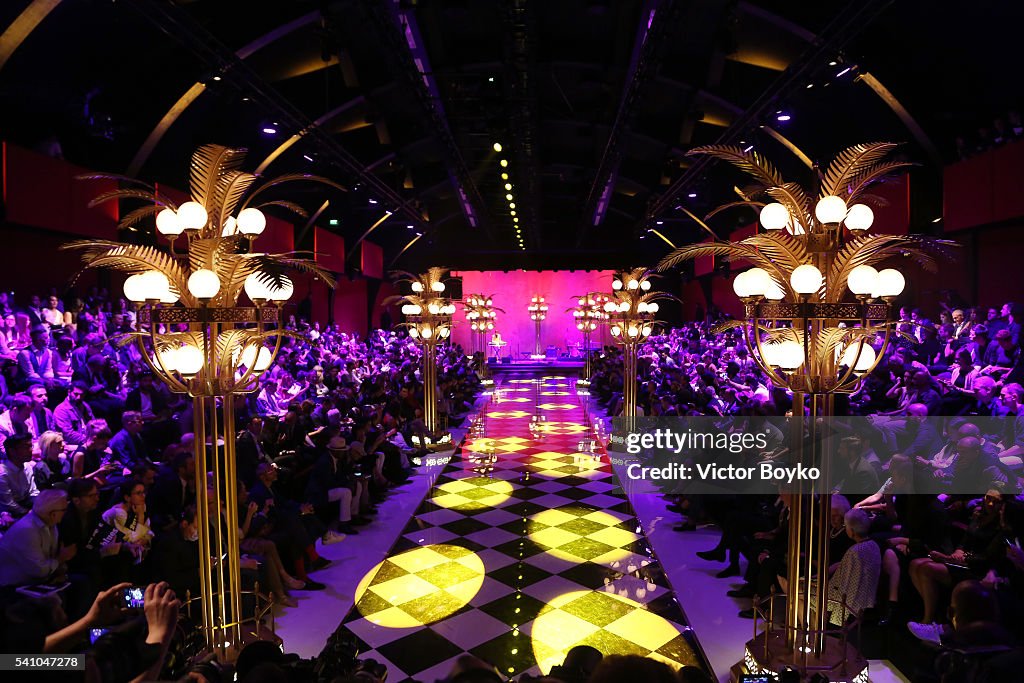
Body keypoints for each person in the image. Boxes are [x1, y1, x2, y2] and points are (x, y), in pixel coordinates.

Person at [0, 489, 74, 587]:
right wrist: (61, 558)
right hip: (14, 587)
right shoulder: (27, 531)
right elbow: (39, 571)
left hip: (37, 580)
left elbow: (50, 559)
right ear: (53, 514)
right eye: (64, 509)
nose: (66, 513)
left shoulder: (51, 525)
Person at [0, 432, 38, 519]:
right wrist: (28, 513)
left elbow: (33, 492)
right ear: (12, 451)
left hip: (26, 506)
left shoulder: (27, 466)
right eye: (26, 447)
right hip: (8, 514)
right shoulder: (2, 474)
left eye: (30, 446)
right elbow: (9, 504)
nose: (31, 450)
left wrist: (39, 505)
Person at [54, 381, 96, 446]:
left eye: (81, 395)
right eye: (76, 394)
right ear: (69, 392)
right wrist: (89, 440)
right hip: (71, 444)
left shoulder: (85, 406)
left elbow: (94, 424)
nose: (78, 397)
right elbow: (68, 435)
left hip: (87, 441)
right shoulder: (61, 410)